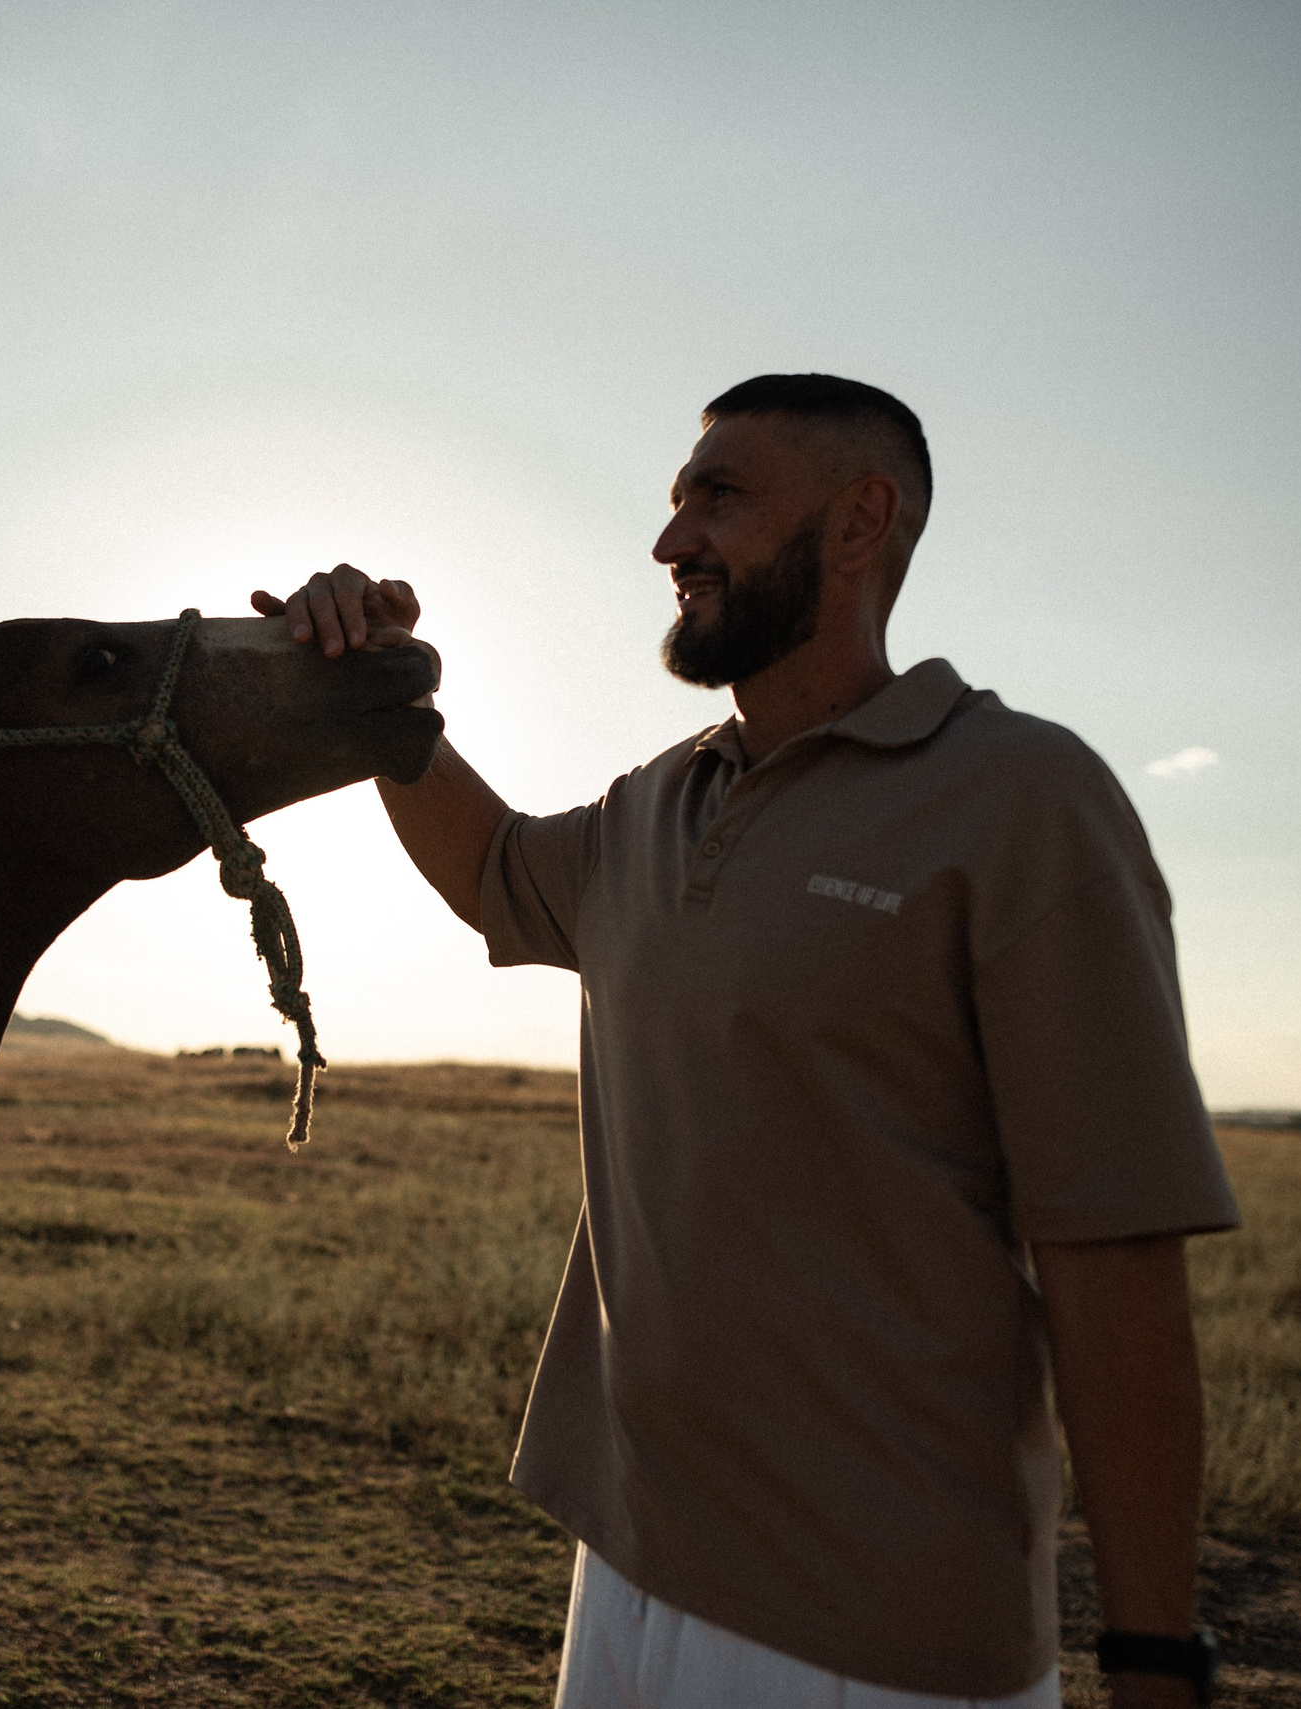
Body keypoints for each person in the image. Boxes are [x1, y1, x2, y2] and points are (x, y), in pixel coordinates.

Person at [253, 374, 1242, 1709]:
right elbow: (490, 866)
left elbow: (1114, 1259)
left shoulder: (1021, 799)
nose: (672, 542)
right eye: (674, 504)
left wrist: (1157, 1662)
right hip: (625, 1576)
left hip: (872, 1634)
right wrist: (370, 695)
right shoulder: (659, 801)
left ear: (859, 523)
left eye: (720, 499)